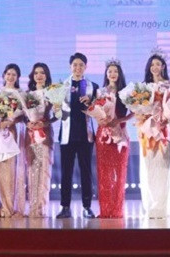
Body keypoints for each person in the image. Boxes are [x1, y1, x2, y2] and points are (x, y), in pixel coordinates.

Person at [138, 50, 170, 218]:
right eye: (152, 65)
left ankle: (161, 207)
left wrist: (169, 117)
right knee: (150, 169)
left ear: (163, 66)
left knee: (163, 169)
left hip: (164, 131)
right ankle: (152, 206)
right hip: (148, 132)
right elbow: (138, 110)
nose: (155, 67)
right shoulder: (143, 87)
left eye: (158, 64)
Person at [56, 53, 98, 219]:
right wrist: (56, 108)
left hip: (85, 135)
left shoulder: (93, 87)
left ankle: (87, 206)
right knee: (66, 172)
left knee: (86, 172)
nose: (78, 68)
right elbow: (58, 112)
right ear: (70, 66)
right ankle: (65, 207)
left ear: (86, 67)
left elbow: (98, 110)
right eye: (75, 64)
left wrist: (91, 102)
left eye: (81, 65)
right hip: (67, 134)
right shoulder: (61, 86)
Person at [96, 59, 132, 218]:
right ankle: (105, 209)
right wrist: (101, 119)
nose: (112, 74)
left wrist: (119, 120)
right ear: (106, 74)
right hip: (103, 135)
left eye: (115, 71)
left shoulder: (126, 92)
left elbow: (134, 112)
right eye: (109, 71)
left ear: (119, 74)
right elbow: (96, 111)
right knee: (104, 173)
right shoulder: (100, 92)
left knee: (119, 173)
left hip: (120, 135)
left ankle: (117, 210)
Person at [0, 63, 27, 217]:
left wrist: (11, 121)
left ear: (17, 77)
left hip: (13, 133)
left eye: (14, 74)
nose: (11, 77)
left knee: (12, 169)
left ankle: (12, 205)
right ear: (4, 75)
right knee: (0, 167)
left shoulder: (21, 94)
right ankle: (3, 205)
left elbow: (23, 116)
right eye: (8, 74)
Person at [26, 62, 56, 218]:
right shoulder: (27, 95)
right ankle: (33, 207)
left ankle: (41, 207)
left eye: (42, 73)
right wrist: (28, 122)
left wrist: (44, 123)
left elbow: (58, 115)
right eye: (36, 73)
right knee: (33, 170)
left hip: (45, 134)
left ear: (47, 76)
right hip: (31, 135)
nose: (39, 75)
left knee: (44, 170)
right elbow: (23, 115)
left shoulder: (51, 93)